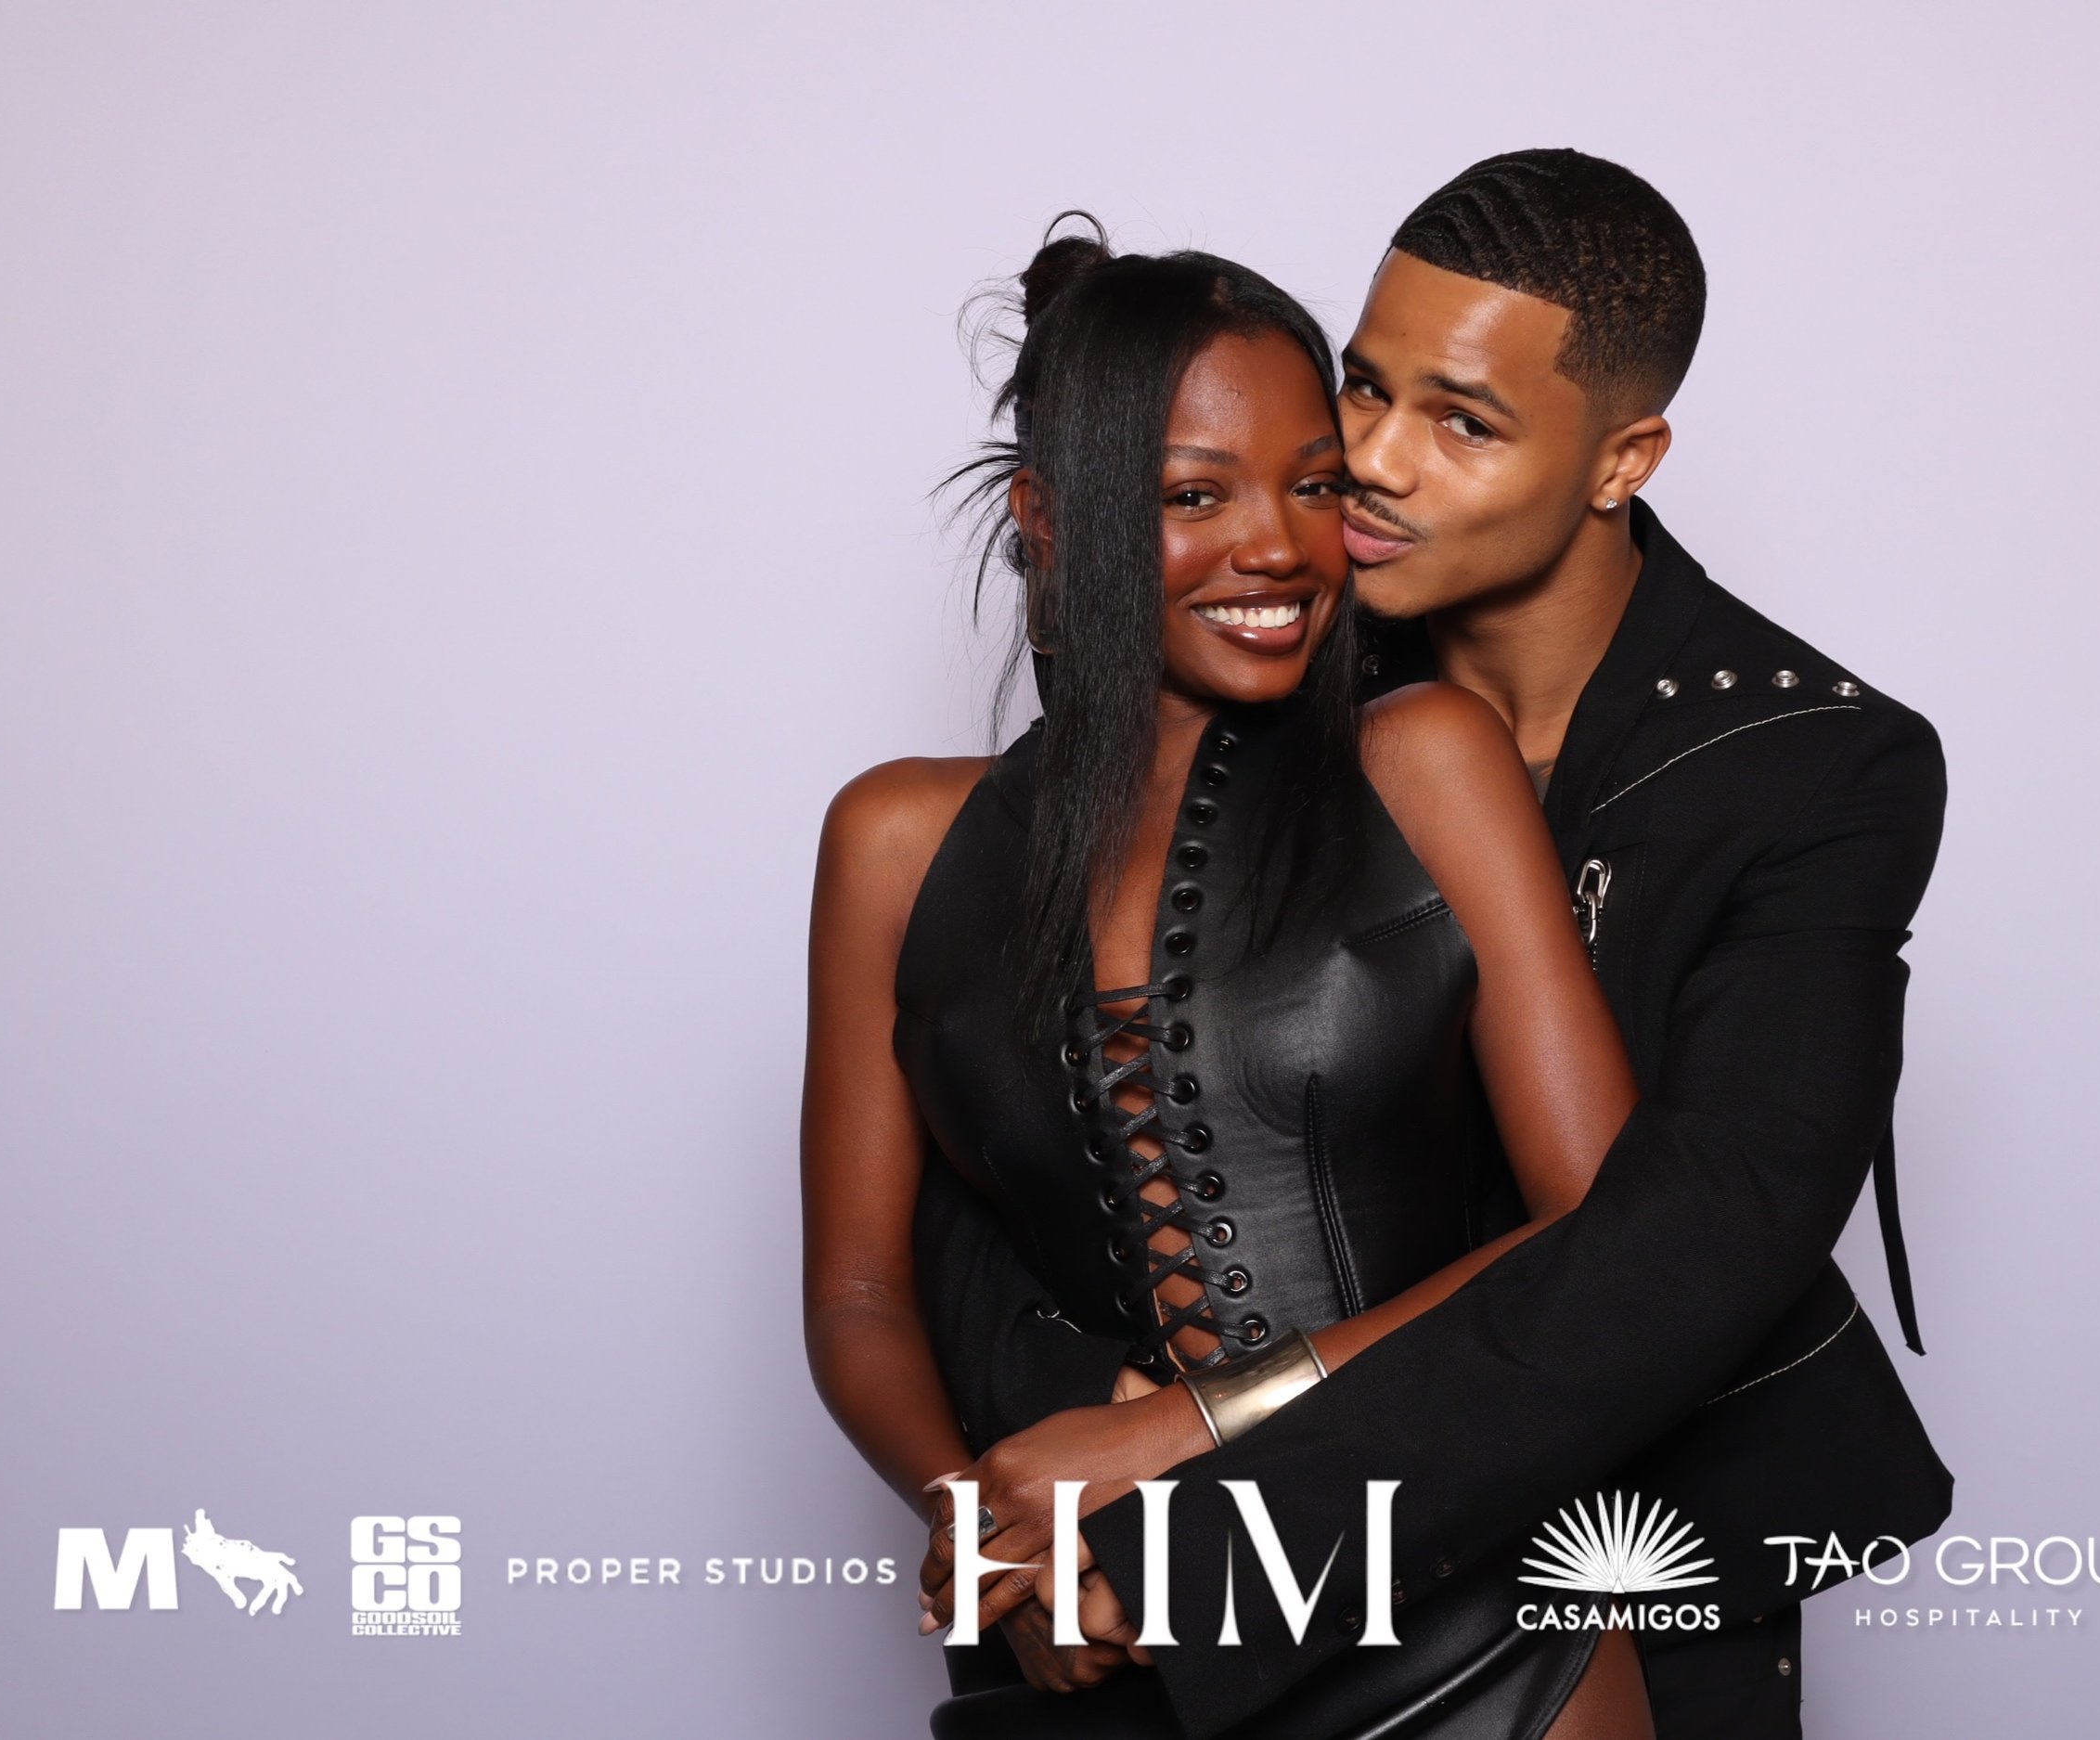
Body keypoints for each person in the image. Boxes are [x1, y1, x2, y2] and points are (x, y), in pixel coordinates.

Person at [913, 151, 1953, 1739]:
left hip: (1628, 1558)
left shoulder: (1812, 766)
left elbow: (1696, 1234)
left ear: (1624, 459)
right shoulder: (1269, 633)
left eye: (1462, 423)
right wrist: (1069, 1427)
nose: (1373, 464)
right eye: (1367, 392)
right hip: (1192, 1579)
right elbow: (1013, 1075)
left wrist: (1203, 1481)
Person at [801, 223, 1665, 1735]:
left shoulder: (1427, 762)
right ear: (1046, 519)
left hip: (1464, 1620)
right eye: (1195, 495)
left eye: (1317, 485)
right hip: (1102, 1641)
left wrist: (1188, 1428)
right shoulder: (896, 838)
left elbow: (1599, 1227)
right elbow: (864, 1290)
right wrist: (1000, 1539)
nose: (1278, 545)